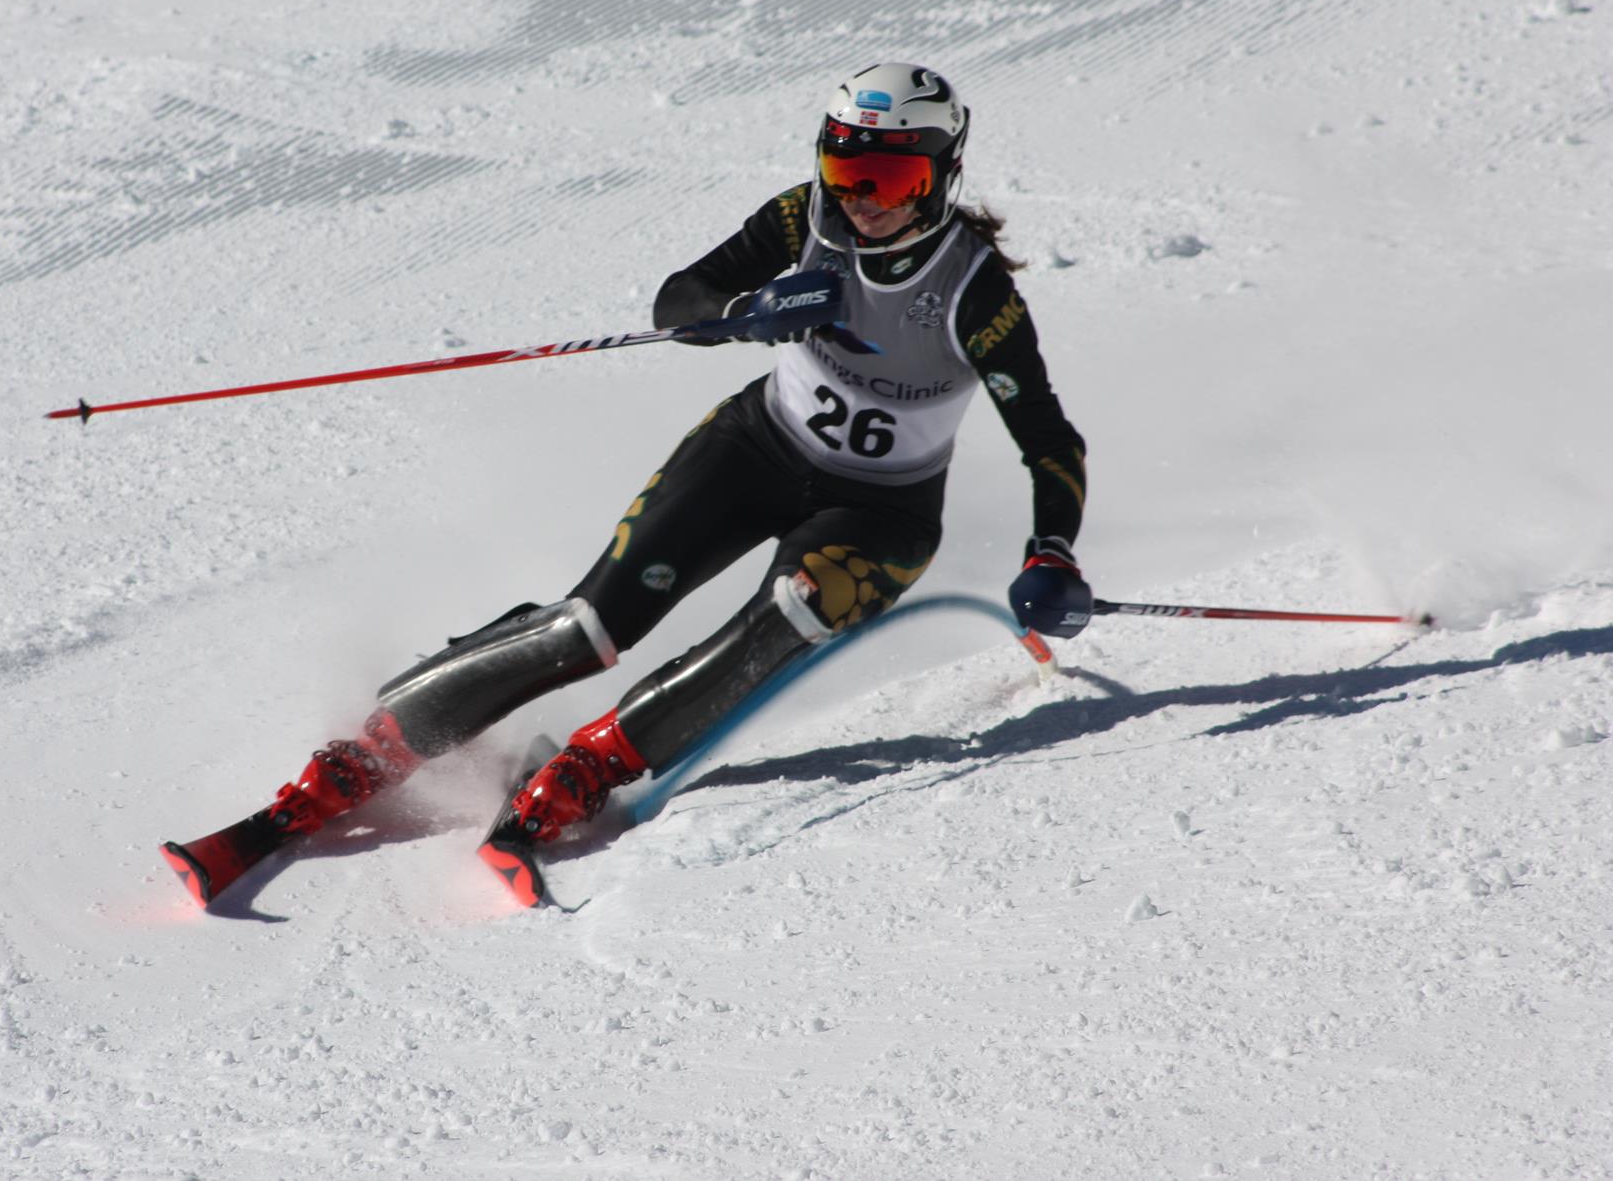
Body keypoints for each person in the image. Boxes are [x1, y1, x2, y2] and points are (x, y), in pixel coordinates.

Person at [161, 62, 1094, 906]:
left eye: (890, 179)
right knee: (591, 625)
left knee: (797, 608)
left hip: (881, 508)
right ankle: (365, 756)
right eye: (844, 169)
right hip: (759, 446)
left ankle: (587, 771)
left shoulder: (975, 294)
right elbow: (678, 300)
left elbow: (1050, 439)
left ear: (941, 176)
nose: (861, 199)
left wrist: (1052, 550)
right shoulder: (804, 218)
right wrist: (749, 311)